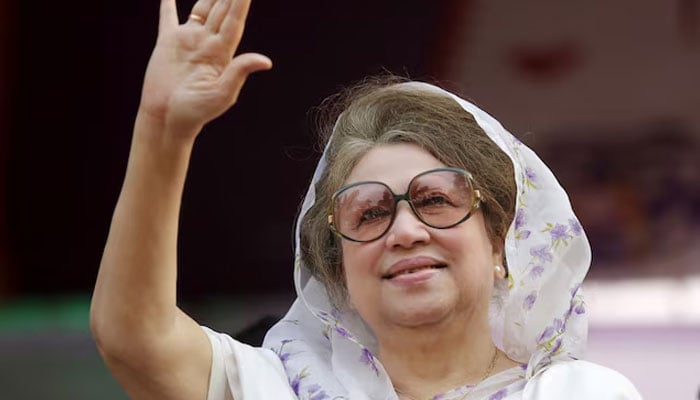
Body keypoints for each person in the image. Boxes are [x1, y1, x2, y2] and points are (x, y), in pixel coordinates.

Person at [89, 0, 643, 399]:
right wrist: (162, 132)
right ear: (339, 269)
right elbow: (134, 337)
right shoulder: (276, 386)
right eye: (370, 213)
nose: (404, 231)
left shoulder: (580, 392)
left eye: (434, 200)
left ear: (501, 242)